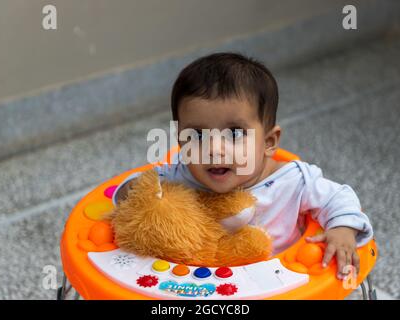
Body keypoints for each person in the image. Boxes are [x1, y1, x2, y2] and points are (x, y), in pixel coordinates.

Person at [113, 52, 373, 280]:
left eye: (235, 133)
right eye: (198, 135)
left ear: (268, 141)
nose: (214, 149)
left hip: (277, 285)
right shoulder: (181, 173)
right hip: (202, 285)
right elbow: (142, 189)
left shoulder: (293, 182)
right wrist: (132, 191)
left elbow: (339, 198)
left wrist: (342, 229)